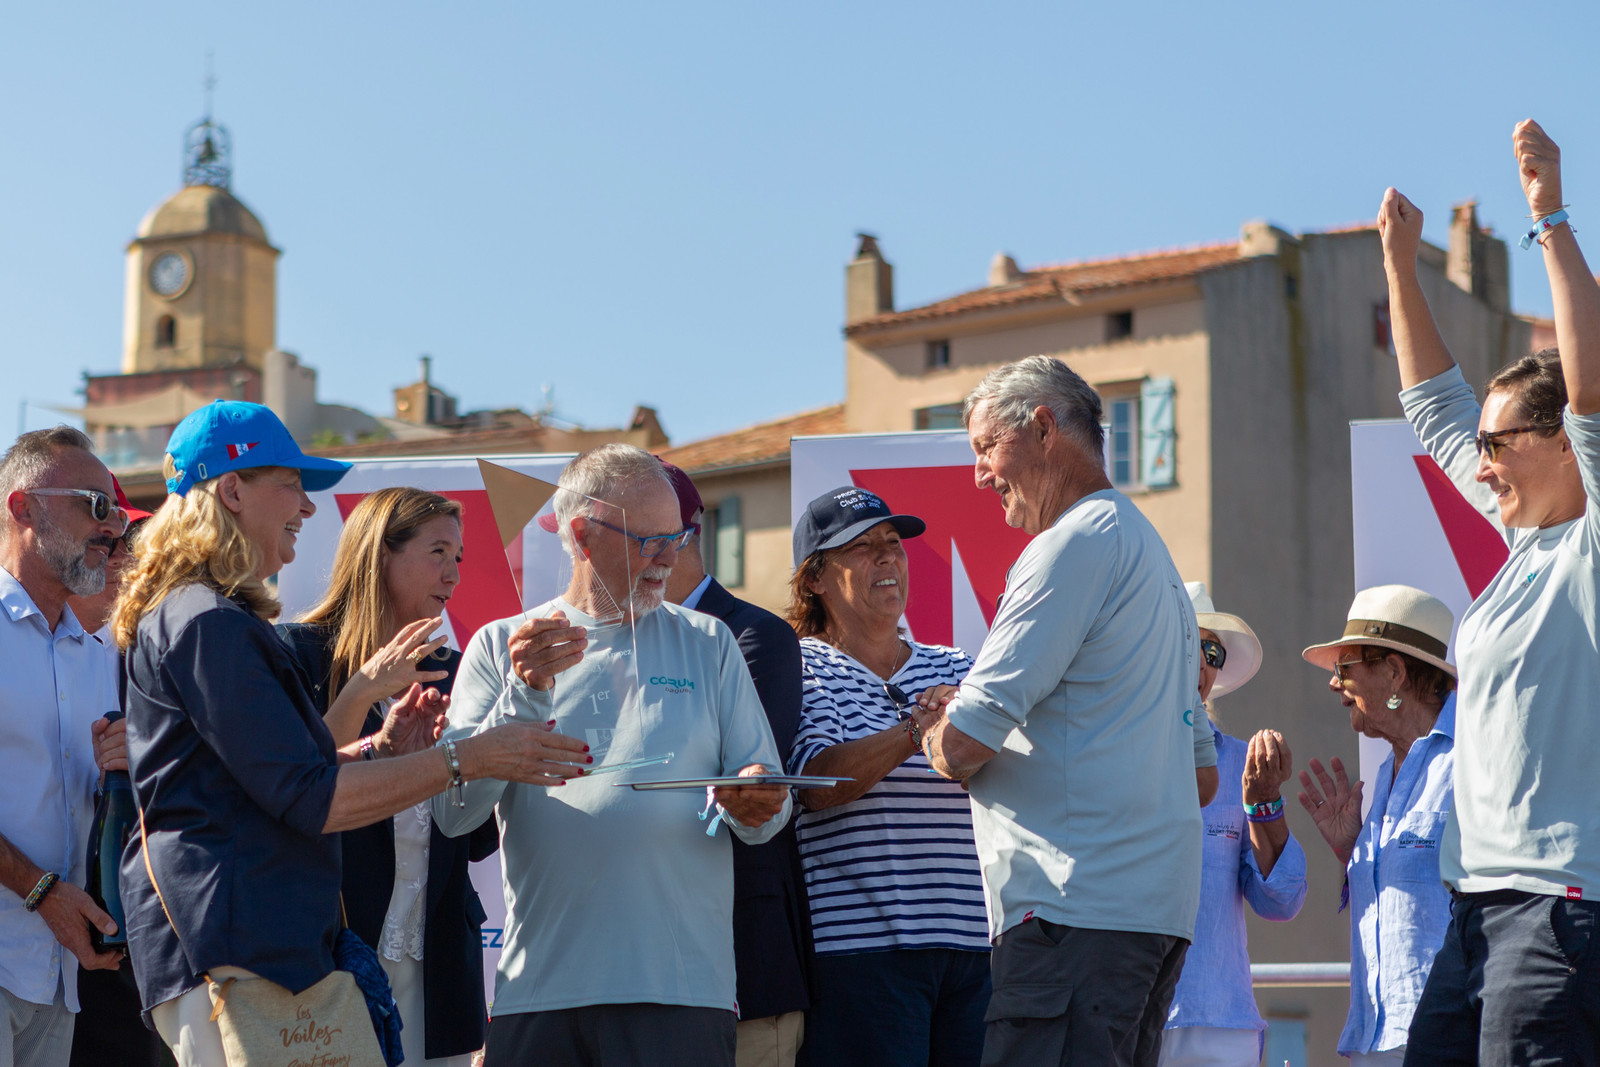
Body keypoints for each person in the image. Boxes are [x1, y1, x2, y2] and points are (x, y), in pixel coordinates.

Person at [113, 400, 590, 1066]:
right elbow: (310, 797)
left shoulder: (210, 617)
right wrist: (469, 757)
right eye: (291, 484)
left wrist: (380, 749)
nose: (307, 507)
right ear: (233, 491)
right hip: (231, 951)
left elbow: (277, 778)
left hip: (248, 946)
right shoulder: (209, 623)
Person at [434, 443, 791, 1067]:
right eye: (650, 541)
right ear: (582, 535)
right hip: (539, 990)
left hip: (681, 991)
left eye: (678, 538)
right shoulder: (500, 646)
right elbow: (454, 815)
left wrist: (758, 798)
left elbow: (765, 809)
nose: (668, 559)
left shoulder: (710, 642)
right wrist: (525, 691)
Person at [915, 355, 1216, 1067]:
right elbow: (1201, 778)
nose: (980, 474)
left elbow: (963, 745)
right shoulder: (1154, 558)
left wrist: (933, 724)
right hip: (1148, 919)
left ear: (1044, 428)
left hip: (1070, 912)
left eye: (986, 447)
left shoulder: (1070, 545)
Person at [1378, 118, 1600, 1062]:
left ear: (1566, 442)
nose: (1481, 463)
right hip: (1475, 907)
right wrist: (1399, 265)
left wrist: (1550, 216)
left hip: (1558, 909)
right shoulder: (1521, 539)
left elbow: (1594, 385)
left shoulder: (1591, 543)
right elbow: (1435, 406)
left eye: (1500, 443)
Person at [279, 487, 499, 1067]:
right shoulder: (296, 655)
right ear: (380, 554)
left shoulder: (459, 671)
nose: (453, 575)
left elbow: (478, 838)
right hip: (333, 959)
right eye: (437, 552)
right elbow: (292, 793)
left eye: (458, 558)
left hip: (439, 966)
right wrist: (366, 699)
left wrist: (473, 760)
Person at [782, 485, 989, 1067]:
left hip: (976, 946)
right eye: (862, 547)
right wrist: (916, 729)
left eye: (893, 543)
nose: (887, 558)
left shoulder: (959, 664)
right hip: (860, 953)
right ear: (815, 579)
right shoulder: (797, 664)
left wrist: (969, 739)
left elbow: (1008, 772)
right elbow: (818, 785)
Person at [660, 461, 813, 1067]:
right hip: (647, 970)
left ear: (679, 535)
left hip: (743, 964)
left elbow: (741, 781)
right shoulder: (616, 643)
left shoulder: (755, 634)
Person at [0, 427, 129, 1067]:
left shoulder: (96, 656)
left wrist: (127, 771)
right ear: (23, 508)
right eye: (94, 505)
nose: (112, 529)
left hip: (58, 975)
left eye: (118, 514)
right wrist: (41, 891)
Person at [1296, 586, 1456, 1067]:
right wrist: (1351, 853)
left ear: (1394, 672)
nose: (1334, 684)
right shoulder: (1387, 771)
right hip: (1374, 1040)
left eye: (1345, 667)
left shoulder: (1470, 761)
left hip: (1446, 1037)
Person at [1161, 582, 1307, 1067]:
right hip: (1126, 1008)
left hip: (1219, 1018)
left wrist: (1265, 806)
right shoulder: (1113, 754)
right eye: (1188, 645)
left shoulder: (1243, 764)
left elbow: (1282, 901)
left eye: (1212, 653)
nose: (1201, 664)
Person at [67, 480, 163, 1067]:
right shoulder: (20, 642)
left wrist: (146, 752)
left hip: (124, 929)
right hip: (39, 922)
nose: (125, 557)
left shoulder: (150, 652)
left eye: (132, 543)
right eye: (110, 542)